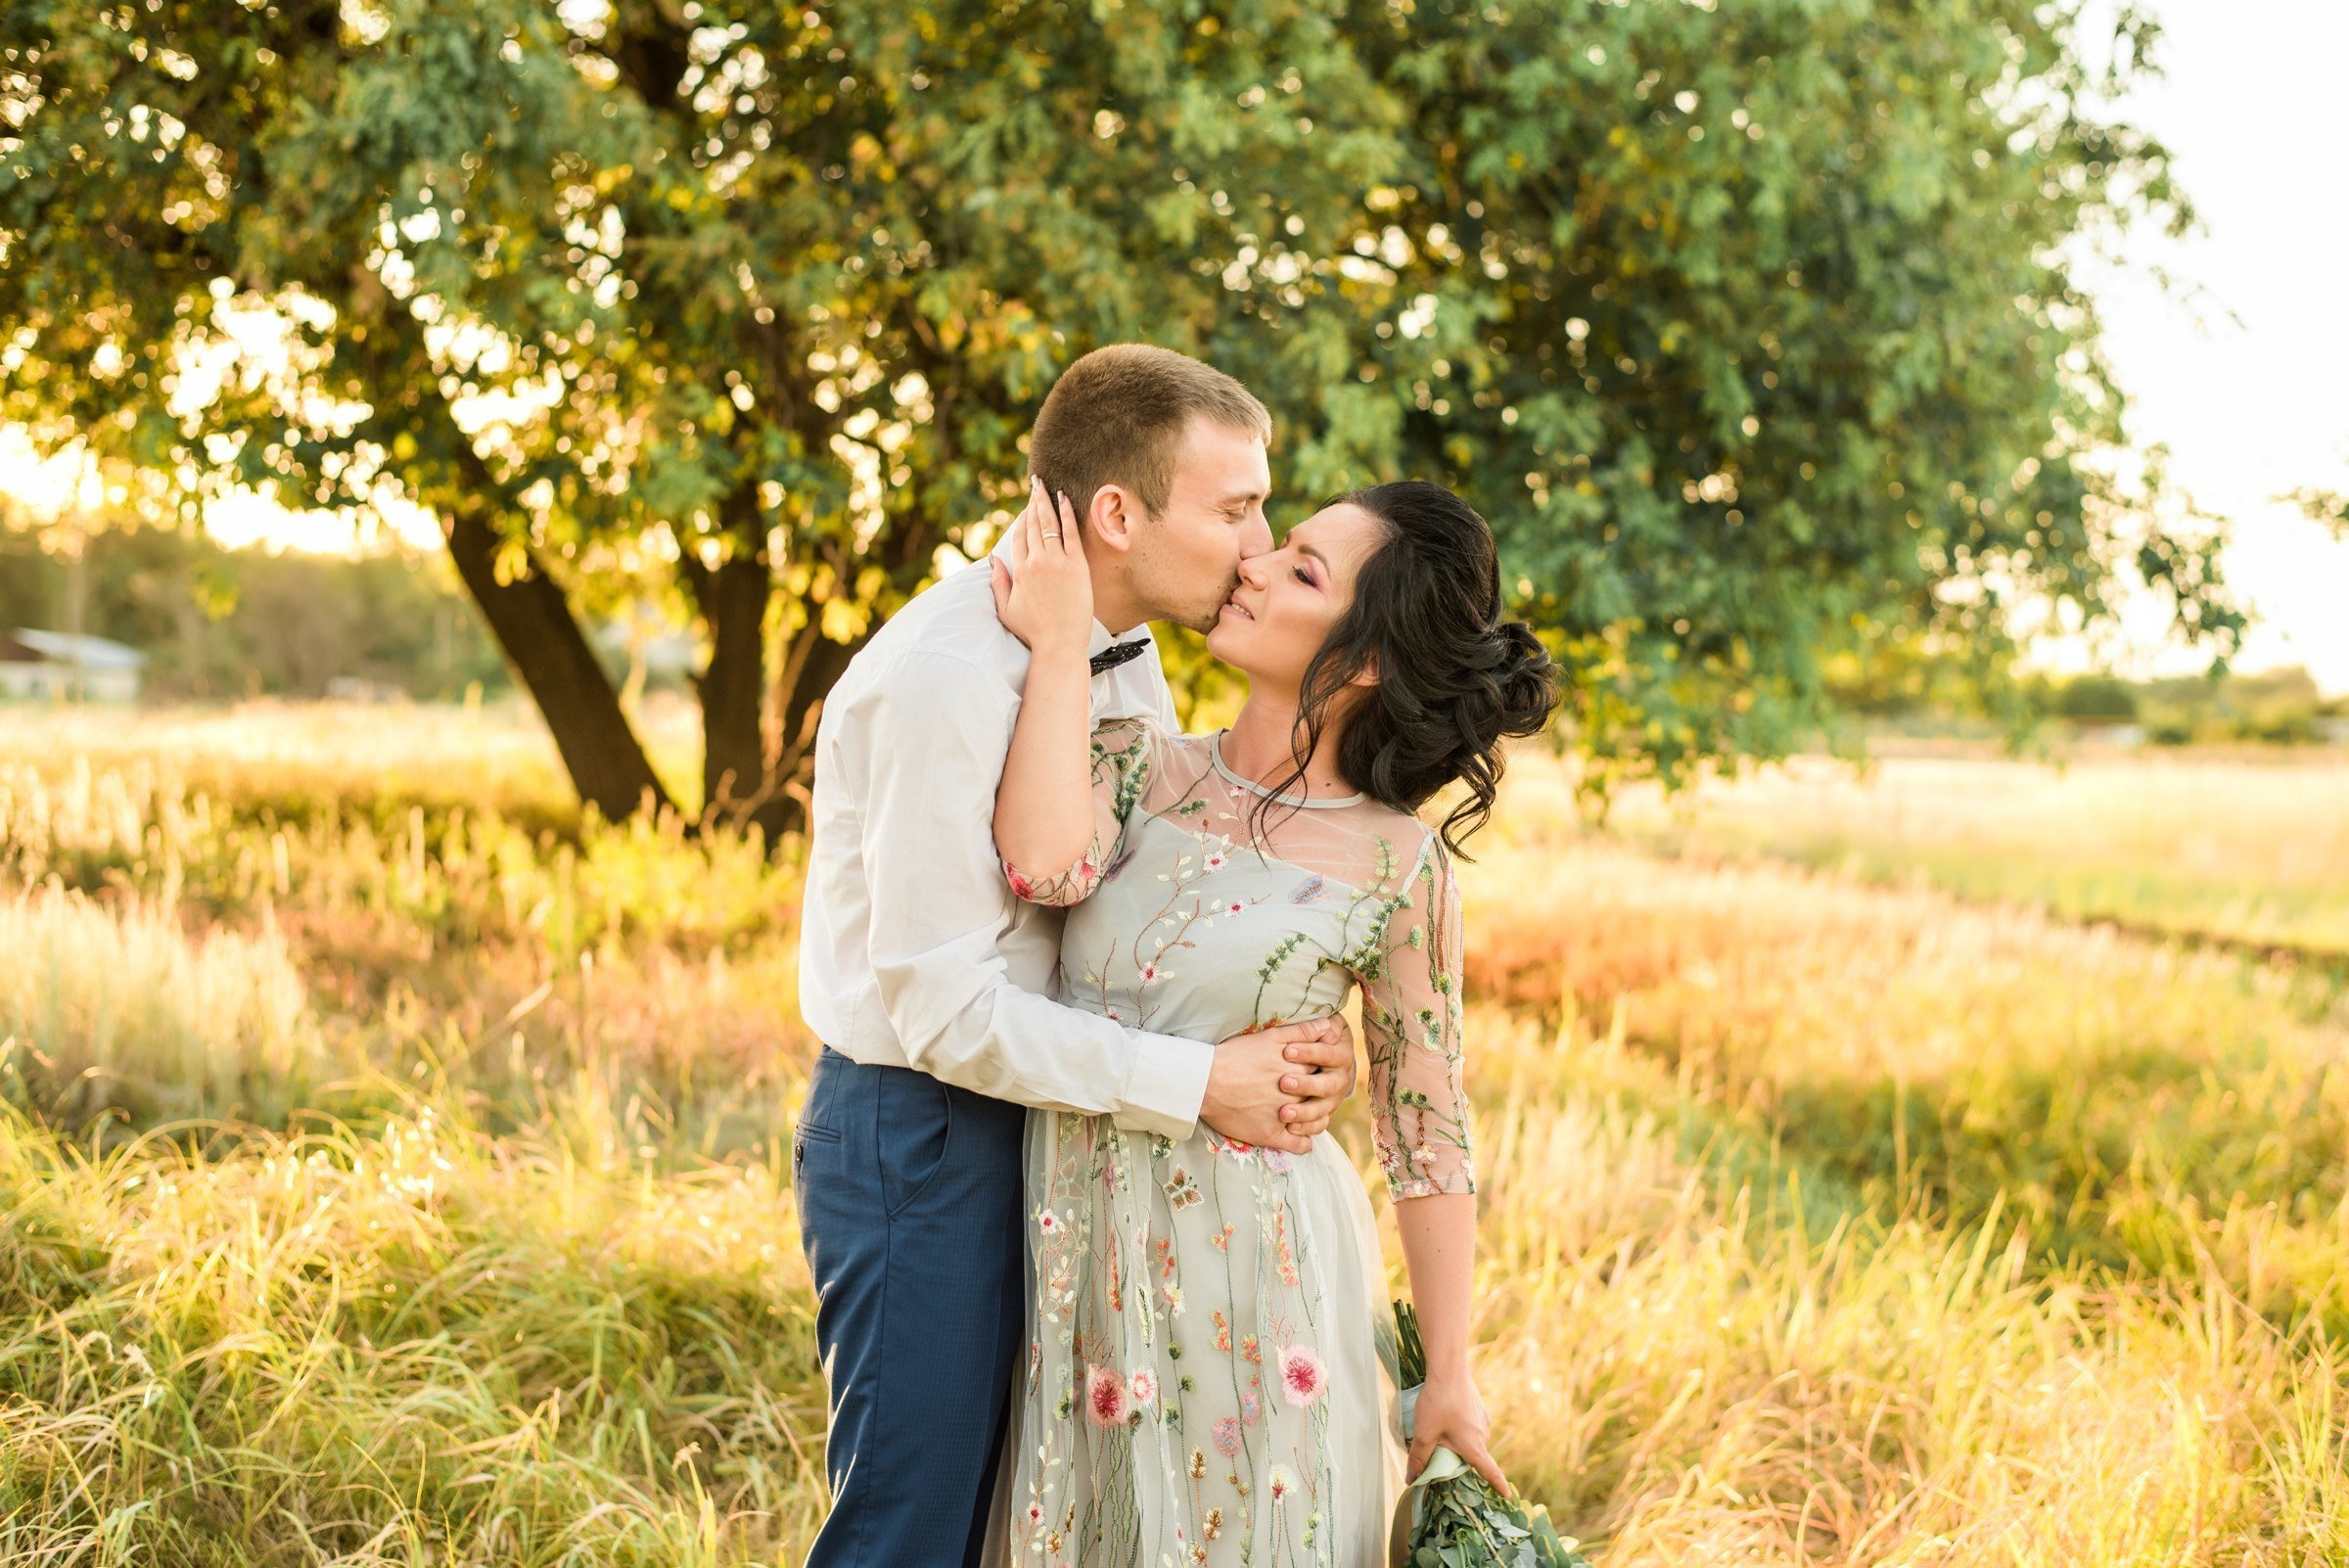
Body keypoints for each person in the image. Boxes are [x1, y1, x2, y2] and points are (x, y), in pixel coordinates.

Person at [793, 345, 1364, 1568]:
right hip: (925, 1136)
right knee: (911, 1532)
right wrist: (1200, 1085)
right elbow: (945, 1010)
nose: (1259, 548)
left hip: (1072, 1134)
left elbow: (1140, 893)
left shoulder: (1121, 647)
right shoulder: (947, 676)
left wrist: (1307, 1040)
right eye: (1235, 509)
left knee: (1030, 1525)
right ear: (1117, 515)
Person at [986, 475, 1558, 1565]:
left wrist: (1449, 1373)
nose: (1250, 564)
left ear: (1369, 656)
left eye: (1301, 570)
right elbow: (1042, 868)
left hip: (1261, 1286)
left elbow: (1427, 1137)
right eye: (1276, 544)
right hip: (1077, 1259)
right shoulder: (1131, 760)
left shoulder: (1399, 863)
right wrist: (1061, 643)